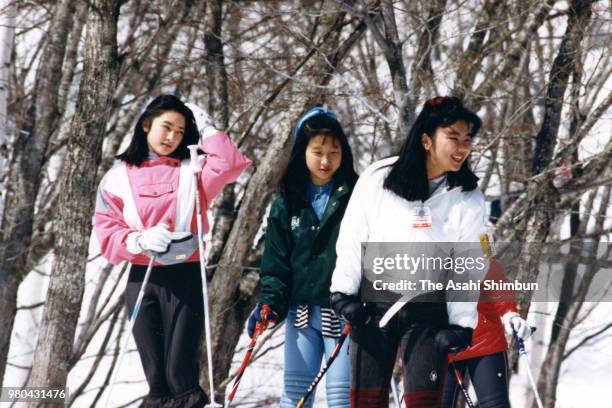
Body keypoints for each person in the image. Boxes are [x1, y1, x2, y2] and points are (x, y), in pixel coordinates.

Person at [93, 95, 251, 407]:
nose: (172, 137)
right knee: (157, 379)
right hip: (143, 278)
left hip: (185, 275)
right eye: (166, 127)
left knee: (180, 375)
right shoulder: (117, 177)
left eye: (180, 131)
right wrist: (136, 240)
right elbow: (106, 228)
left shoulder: (193, 171)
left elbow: (231, 165)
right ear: (145, 124)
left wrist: (207, 129)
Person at [330, 96, 487, 407]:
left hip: (429, 312)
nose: (462, 147)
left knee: (424, 402)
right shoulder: (379, 178)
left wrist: (461, 324)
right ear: (427, 140)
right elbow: (352, 235)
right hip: (373, 307)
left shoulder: (468, 196)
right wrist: (342, 294)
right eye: (453, 137)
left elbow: (468, 265)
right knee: (366, 401)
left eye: (467, 139)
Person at [247, 107, 359, 408]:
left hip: (344, 314)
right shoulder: (287, 202)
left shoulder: (357, 195)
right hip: (302, 313)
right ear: (302, 152)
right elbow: (275, 264)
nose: (326, 161)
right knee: (296, 395)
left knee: (342, 397)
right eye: (318, 151)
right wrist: (270, 302)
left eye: (334, 152)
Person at [441, 257, 532, 408]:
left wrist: (509, 313)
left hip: (484, 340)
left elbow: (495, 280)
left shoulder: (475, 242)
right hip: (441, 343)